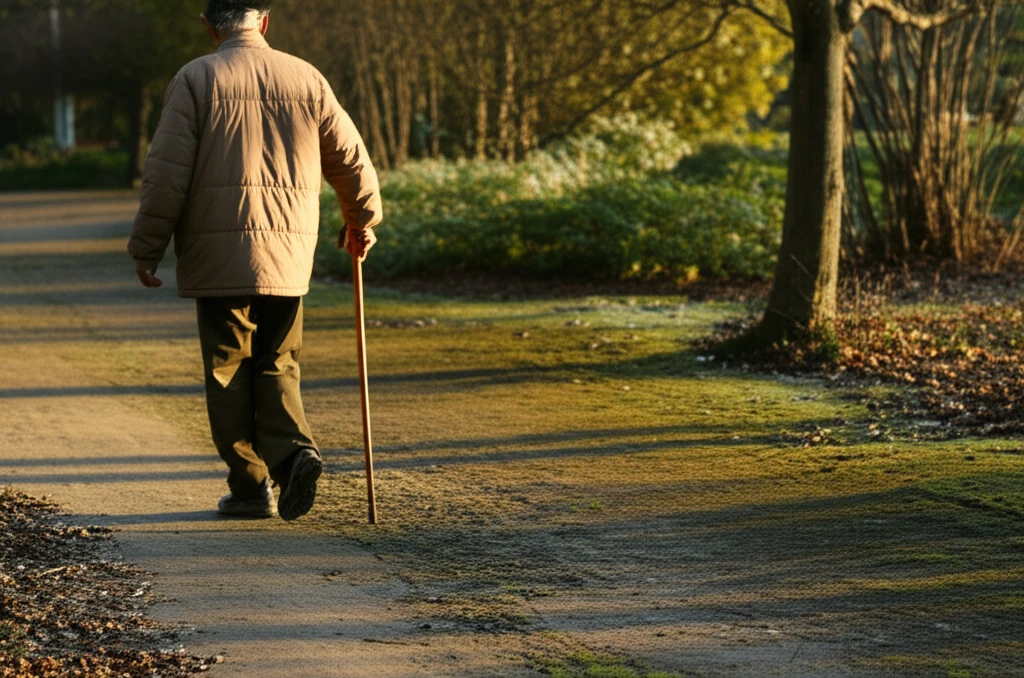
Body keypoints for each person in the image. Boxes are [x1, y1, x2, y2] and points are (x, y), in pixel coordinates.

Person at [127, 0, 382, 521]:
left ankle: (251, 488)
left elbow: (166, 174)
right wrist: (362, 220)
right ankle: (294, 456)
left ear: (208, 26)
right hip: (288, 255)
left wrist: (147, 247)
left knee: (228, 371)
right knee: (279, 362)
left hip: (219, 258)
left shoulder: (196, 78)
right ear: (264, 22)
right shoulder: (306, 78)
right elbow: (351, 157)